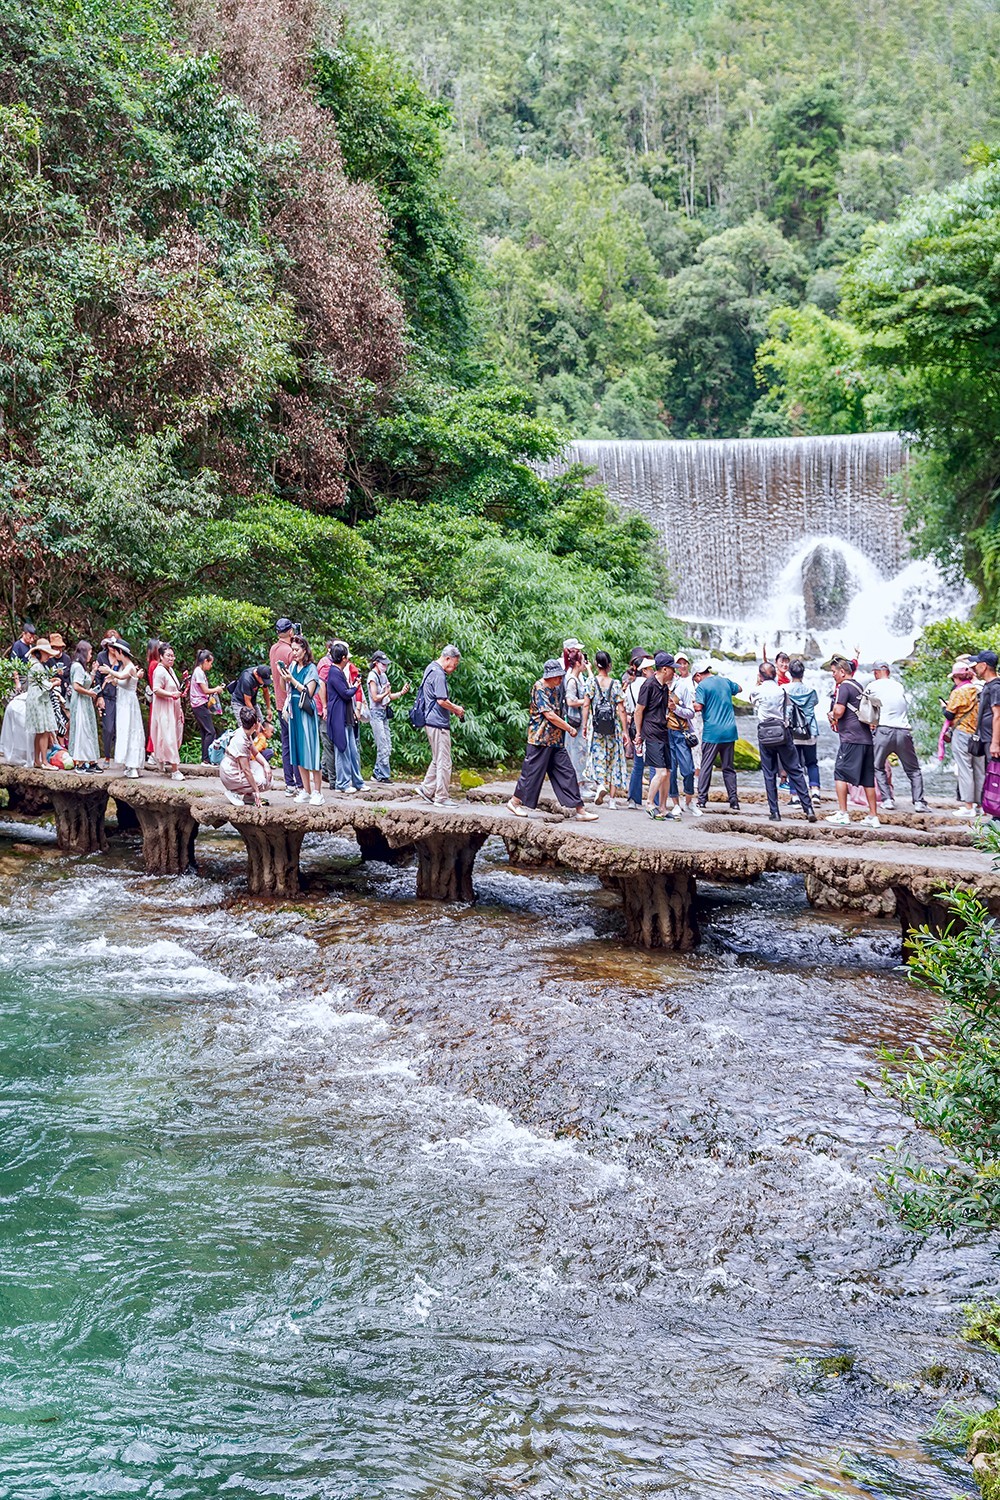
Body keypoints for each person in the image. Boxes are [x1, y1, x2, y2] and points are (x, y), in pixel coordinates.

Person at [506, 659, 599, 821]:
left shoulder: (556, 688)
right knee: (532, 774)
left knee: (567, 773)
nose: (560, 679)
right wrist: (569, 728)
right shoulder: (539, 687)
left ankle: (580, 810)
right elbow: (549, 715)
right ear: (549, 676)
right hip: (539, 740)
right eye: (557, 676)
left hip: (555, 740)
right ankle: (514, 802)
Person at [750, 661, 816, 822]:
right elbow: (787, 707)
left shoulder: (757, 691)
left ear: (760, 676)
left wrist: (758, 684)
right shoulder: (782, 690)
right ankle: (808, 808)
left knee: (769, 774)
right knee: (795, 770)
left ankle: (775, 812)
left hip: (765, 734)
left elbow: (753, 702)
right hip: (782, 733)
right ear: (775, 675)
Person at [825, 655, 879, 827]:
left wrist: (832, 715)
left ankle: (843, 813)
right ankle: (873, 816)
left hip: (851, 738)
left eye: (834, 672)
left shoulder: (844, 687)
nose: (833, 675)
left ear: (842, 671)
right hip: (866, 739)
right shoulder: (858, 686)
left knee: (840, 773)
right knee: (867, 778)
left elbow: (839, 711)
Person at [869, 661, 930, 812]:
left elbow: (865, 707)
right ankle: (919, 802)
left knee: (878, 766)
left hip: (884, 731)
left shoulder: (872, 686)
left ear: (876, 672)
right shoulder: (898, 685)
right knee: (913, 770)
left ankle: (887, 800)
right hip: (903, 731)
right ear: (888, 672)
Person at [276, 635, 323, 805]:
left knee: (311, 750)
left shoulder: (311, 669)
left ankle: (318, 792)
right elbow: (284, 688)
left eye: (297, 650)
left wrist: (292, 680)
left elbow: (308, 691)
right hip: (294, 711)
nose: (294, 653)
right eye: (292, 650)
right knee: (298, 751)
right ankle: (306, 790)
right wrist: (282, 675)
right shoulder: (293, 666)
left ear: (305, 650)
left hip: (306, 711)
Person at [415, 645, 464, 807]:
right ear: (448, 658)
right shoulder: (439, 674)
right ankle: (441, 797)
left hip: (430, 720)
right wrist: (456, 709)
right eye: (454, 664)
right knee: (444, 761)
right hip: (438, 723)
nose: (454, 668)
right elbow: (441, 700)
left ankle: (426, 789)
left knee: (438, 759)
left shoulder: (430, 668)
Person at [693, 660, 741, 811]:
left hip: (712, 732)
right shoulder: (725, 681)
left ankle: (702, 800)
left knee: (706, 766)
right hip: (729, 730)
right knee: (728, 767)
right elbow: (739, 688)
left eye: (695, 679)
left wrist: (688, 704)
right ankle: (734, 801)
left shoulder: (702, 686)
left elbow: (698, 707)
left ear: (698, 675)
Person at [633, 652, 675, 820]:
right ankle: (650, 803)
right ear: (664, 669)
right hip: (651, 732)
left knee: (668, 773)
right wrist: (638, 733)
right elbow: (638, 711)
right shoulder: (648, 685)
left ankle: (663, 807)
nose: (674, 672)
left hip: (663, 731)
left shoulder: (664, 687)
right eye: (672, 669)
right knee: (661, 772)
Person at [586, 650, 629, 808]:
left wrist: (584, 726)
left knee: (597, 756)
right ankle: (612, 801)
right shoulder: (615, 684)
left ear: (596, 664)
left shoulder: (591, 682)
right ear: (609, 665)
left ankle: (600, 785)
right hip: (613, 727)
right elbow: (621, 709)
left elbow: (586, 705)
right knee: (614, 760)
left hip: (596, 726)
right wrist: (625, 731)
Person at [323, 642, 364, 795]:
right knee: (342, 749)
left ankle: (357, 782)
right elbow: (345, 694)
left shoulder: (338, 671)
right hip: (338, 716)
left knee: (352, 750)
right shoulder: (334, 672)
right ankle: (342, 783)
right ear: (343, 658)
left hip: (346, 715)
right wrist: (355, 686)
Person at [943, 657, 983, 812]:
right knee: (979, 770)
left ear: (956, 677)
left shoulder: (958, 692)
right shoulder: (977, 689)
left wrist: (943, 707)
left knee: (965, 769)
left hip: (962, 732)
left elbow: (949, 714)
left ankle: (968, 806)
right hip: (977, 734)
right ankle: (980, 805)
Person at [269, 617, 301, 796]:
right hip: (291, 703)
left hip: (280, 703)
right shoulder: (289, 651)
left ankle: (290, 783)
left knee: (287, 744)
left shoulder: (274, 648)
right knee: (296, 744)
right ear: (290, 631)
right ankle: (300, 783)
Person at [366, 651, 410, 783]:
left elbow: (389, 696)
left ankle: (377, 773)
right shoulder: (372, 676)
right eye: (383, 664)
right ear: (376, 663)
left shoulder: (383, 676)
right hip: (375, 713)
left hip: (384, 713)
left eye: (386, 664)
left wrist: (401, 692)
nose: (385, 666)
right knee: (382, 745)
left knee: (388, 745)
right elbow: (375, 697)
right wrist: (386, 693)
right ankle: (382, 775)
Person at [662, 655, 697, 816]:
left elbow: (691, 712)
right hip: (664, 734)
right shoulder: (658, 686)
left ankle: (689, 801)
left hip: (680, 733)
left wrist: (675, 709)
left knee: (688, 770)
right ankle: (675, 803)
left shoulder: (682, 687)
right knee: (670, 770)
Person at [105, 640, 146, 777]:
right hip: (123, 702)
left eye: (116, 652)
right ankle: (129, 765)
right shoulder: (124, 667)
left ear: (121, 652)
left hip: (129, 703)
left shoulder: (130, 667)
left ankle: (133, 766)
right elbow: (121, 681)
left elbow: (123, 676)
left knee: (131, 730)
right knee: (125, 730)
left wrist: (109, 671)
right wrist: (112, 679)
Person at [219, 705, 273, 807]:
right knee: (263, 783)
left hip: (237, 767)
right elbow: (246, 770)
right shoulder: (240, 741)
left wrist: (266, 765)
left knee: (268, 777)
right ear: (254, 724)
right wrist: (257, 791)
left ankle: (248, 795)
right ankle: (234, 792)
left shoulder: (246, 733)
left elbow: (256, 753)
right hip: (230, 772)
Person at [786, 659, 821, 802]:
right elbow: (815, 703)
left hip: (792, 731)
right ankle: (815, 792)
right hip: (810, 730)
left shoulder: (784, 689)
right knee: (812, 762)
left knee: (793, 764)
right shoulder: (811, 691)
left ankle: (795, 796)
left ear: (790, 673)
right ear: (803, 673)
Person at [150, 643, 186, 780]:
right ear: (161, 656)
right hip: (164, 709)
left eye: (172, 656)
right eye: (168, 656)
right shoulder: (159, 671)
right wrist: (171, 695)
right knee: (168, 737)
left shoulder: (169, 670)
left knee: (174, 736)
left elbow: (174, 688)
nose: (171, 658)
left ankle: (160, 759)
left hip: (173, 708)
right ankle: (175, 770)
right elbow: (156, 689)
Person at [624, 652, 655, 809]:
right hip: (649, 726)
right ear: (644, 671)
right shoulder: (650, 685)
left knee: (638, 763)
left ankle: (633, 799)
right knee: (655, 764)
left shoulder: (630, 687)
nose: (653, 671)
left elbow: (628, 708)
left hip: (635, 727)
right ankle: (655, 800)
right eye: (650, 669)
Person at [23, 638, 59, 766]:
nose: (48, 656)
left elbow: (41, 682)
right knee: (44, 730)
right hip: (39, 699)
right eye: (47, 653)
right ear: (40, 652)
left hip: (36, 697)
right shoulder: (37, 666)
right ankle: (44, 761)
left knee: (40, 731)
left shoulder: (34, 663)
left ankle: (37, 761)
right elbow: (45, 686)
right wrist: (54, 683)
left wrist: (50, 681)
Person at [68, 640, 102, 772]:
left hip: (85, 702)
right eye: (90, 653)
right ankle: (80, 763)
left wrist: (93, 671)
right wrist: (89, 693)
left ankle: (91, 761)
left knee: (89, 729)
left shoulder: (81, 667)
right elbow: (76, 686)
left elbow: (85, 683)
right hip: (80, 702)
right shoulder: (77, 667)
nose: (91, 656)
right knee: (82, 730)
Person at [562, 643, 591, 793]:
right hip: (575, 721)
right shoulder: (572, 680)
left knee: (581, 751)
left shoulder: (579, 678)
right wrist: (586, 701)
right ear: (578, 663)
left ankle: (582, 783)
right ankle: (578, 786)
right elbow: (570, 701)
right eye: (583, 661)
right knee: (576, 752)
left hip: (579, 720)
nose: (586, 664)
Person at [189, 649, 224, 763]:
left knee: (205, 731)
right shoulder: (198, 672)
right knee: (211, 731)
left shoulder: (199, 671)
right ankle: (206, 759)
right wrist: (216, 689)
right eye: (210, 663)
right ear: (205, 661)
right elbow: (205, 690)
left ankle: (205, 758)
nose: (211, 666)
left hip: (200, 704)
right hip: (199, 704)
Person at [972, 650, 1000, 779]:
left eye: (977, 664)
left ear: (984, 666)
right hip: (986, 738)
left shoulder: (996, 687)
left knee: (996, 775)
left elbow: (998, 715)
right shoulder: (987, 686)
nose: (975, 667)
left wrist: (995, 743)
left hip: (992, 739)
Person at [94, 633, 119, 766]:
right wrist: (99, 696)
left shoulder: (122, 657)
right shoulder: (101, 657)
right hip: (107, 696)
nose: (112, 648)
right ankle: (108, 756)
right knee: (108, 728)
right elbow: (97, 678)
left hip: (120, 696)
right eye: (110, 646)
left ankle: (120, 756)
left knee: (120, 728)